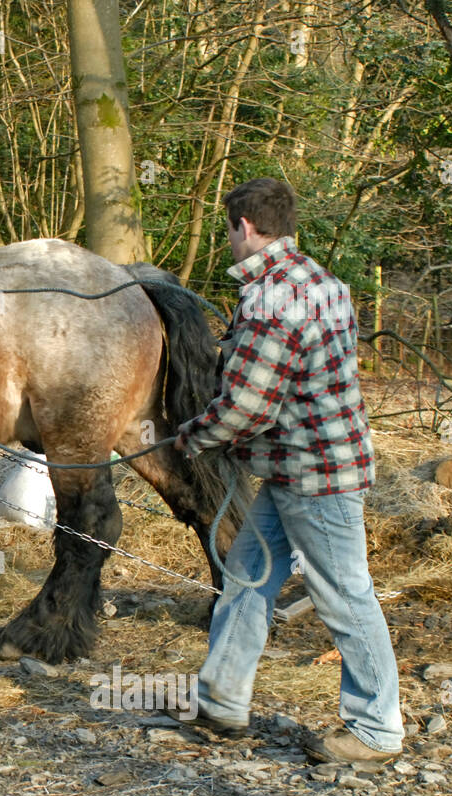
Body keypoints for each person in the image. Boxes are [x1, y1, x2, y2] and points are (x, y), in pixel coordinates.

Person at [168, 177, 404, 764]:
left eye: (227, 230)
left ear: (244, 227)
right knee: (247, 575)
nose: (227, 241)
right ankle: (221, 696)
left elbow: (250, 404)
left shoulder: (271, 297)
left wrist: (193, 438)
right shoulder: (325, 282)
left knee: (345, 596)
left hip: (314, 475)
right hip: (298, 467)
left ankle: (377, 727)